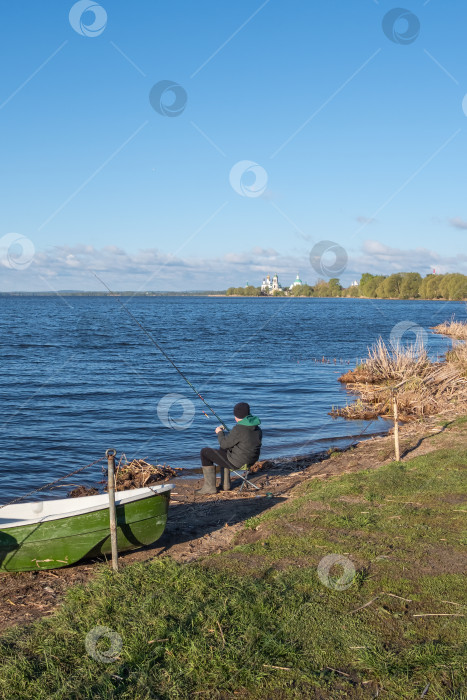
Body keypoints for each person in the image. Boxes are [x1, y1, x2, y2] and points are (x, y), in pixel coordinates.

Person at [196, 402, 262, 494]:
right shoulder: (256, 427)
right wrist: (231, 435)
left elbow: (223, 443)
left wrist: (219, 433)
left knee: (205, 452)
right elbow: (243, 439)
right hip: (251, 460)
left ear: (236, 416)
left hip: (238, 462)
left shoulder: (239, 429)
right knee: (224, 449)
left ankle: (209, 488)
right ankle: (225, 484)